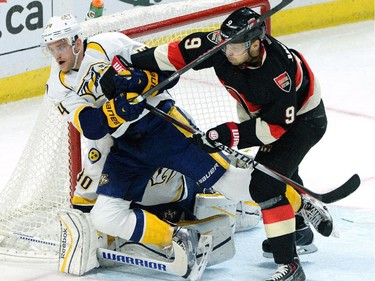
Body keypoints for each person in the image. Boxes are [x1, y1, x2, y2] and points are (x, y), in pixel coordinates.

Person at [40, 13, 261, 278]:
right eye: (52, 48)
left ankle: (293, 203)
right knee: (105, 215)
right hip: (126, 146)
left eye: (61, 45)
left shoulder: (109, 44)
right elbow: (90, 125)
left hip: (162, 124)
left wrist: (141, 82)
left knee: (226, 180)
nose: (57, 54)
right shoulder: (57, 85)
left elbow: (168, 73)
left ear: (77, 41)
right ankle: (180, 237)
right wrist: (117, 110)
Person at [130, 7, 334, 281]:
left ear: (255, 43)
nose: (228, 53)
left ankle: (291, 266)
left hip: (304, 120)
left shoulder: (277, 72)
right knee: (278, 169)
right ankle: (297, 230)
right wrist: (129, 64)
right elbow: (173, 54)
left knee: (265, 184)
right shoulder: (222, 44)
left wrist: (228, 134)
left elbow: (274, 130)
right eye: (226, 45)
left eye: (236, 47)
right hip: (264, 115)